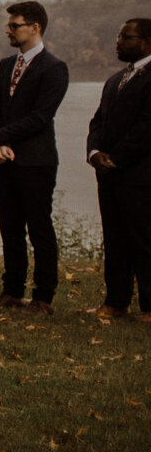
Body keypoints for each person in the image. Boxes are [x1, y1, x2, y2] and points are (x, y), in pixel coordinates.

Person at [0, 1, 70, 314]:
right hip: (5, 160)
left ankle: (43, 297)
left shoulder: (54, 68)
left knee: (39, 229)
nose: (8, 30)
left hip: (37, 162)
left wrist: (1, 137)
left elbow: (41, 117)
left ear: (35, 27)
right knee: (10, 228)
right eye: (9, 25)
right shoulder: (6, 65)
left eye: (14, 25)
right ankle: (12, 292)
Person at [87, 18, 151, 321]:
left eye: (126, 37)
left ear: (147, 41)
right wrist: (95, 151)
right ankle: (116, 302)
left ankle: (149, 306)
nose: (118, 41)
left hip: (141, 177)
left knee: (144, 240)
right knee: (114, 239)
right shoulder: (115, 80)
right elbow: (98, 120)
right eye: (118, 35)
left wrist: (116, 158)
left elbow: (147, 128)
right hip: (110, 176)